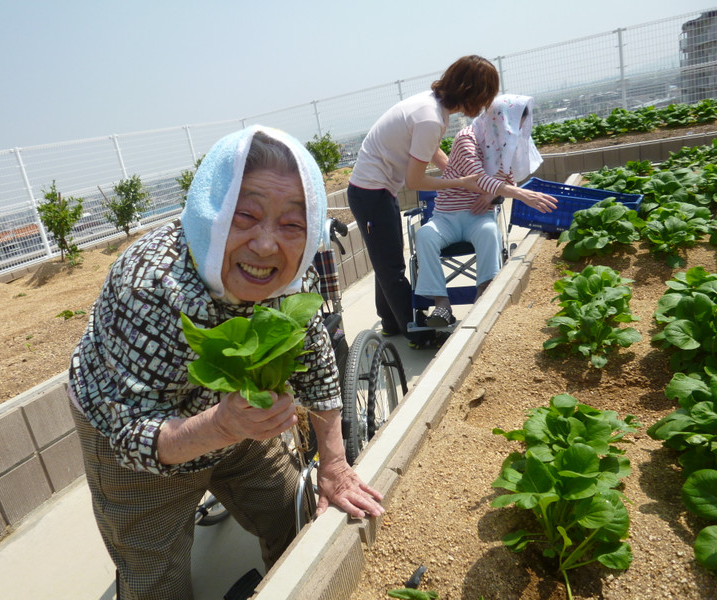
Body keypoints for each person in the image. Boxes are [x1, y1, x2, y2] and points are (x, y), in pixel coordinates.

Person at [67, 125, 385, 600]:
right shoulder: (150, 285)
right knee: (157, 580)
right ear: (209, 213)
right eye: (246, 216)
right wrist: (220, 425)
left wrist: (335, 466)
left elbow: (316, 359)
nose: (265, 246)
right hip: (136, 436)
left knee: (292, 516)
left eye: (292, 224)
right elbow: (130, 436)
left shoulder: (290, 278)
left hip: (232, 419)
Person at [347, 55, 500, 349]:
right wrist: (460, 183)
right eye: (484, 98)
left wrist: (465, 175)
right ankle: (416, 333)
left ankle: (390, 322)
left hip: (379, 189)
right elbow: (415, 182)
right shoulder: (431, 118)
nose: (483, 106)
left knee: (385, 257)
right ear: (471, 92)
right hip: (370, 193)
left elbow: (432, 154)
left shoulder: (432, 106)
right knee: (391, 267)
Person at [414, 94, 558, 327]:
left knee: (490, 232)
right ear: (499, 119)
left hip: (477, 216)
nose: (515, 131)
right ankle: (442, 304)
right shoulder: (466, 139)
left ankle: (483, 294)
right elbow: (477, 177)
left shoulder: (504, 143)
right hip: (446, 218)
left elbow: (507, 177)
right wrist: (520, 194)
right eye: (513, 125)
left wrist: (493, 194)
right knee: (424, 235)